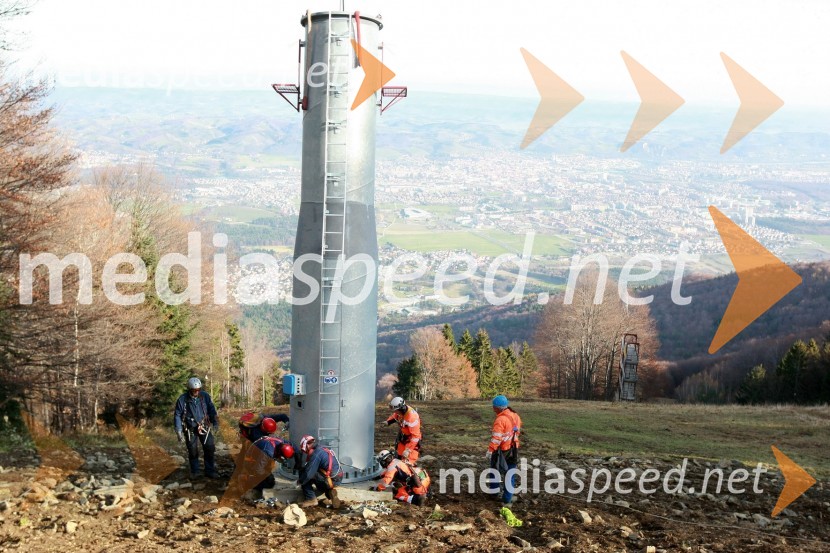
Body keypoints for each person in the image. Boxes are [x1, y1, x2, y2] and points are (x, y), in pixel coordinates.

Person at [173, 377, 220, 479]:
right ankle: (195, 471)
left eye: (198, 390)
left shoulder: (205, 397)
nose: (196, 392)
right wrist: (179, 431)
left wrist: (215, 422)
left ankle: (210, 470)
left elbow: (212, 410)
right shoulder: (182, 400)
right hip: (190, 428)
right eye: (194, 390)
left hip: (204, 426)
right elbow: (177, 415)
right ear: (189, 389)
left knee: (209, 447)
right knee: (193, 450)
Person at [486, 394, 522, 505]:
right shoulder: (515, 415)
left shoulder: (500, 420)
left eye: (494, 406)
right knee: (510, 473)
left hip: (502, 451)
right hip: (514, 449)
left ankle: (494, 493)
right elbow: (517, 431)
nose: (493, 409)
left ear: (497, 407)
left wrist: (490, 450)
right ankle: (507, 498)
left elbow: (496, 438)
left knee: (494, 471)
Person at [297, 434, 343, 508]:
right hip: (337, 478)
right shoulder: (322, 448)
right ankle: (329, 492)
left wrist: (300, 481)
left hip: (330, 479)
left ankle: (311, 499)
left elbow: (308, 474)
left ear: (307, 446)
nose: (305, 453)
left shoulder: (316, 454)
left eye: (304, 450)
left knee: (304, 474)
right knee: (314, 473)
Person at [385, 397, 422, 463]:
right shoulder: (400, 412)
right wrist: (388, 422)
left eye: (395, 410)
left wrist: (408, 450)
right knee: (399, 458)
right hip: (403, 438)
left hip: (411, 441)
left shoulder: (412, 418)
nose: (394, 412)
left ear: (400, 409)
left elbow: (415, 437)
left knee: (408, 462)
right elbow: (395, 416)